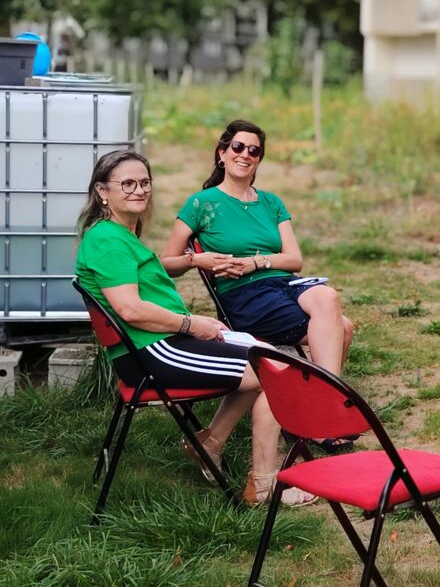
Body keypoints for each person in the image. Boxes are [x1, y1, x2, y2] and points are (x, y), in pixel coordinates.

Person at [75, 150, 314, 506]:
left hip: (160, 343)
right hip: (152, 353)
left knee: (261, 355)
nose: (139, 190)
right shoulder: (108, 240)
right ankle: (263, 485)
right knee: (274, 373)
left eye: (144, 182)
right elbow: (130, 309)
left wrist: (191, 279)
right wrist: (191, 324)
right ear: (102, 191)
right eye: (127, 183)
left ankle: (210, 443)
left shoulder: (118, 235)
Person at [161, 119, 353, 380]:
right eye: (238, 147)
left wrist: (256, 262)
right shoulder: (202, 203)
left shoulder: (271, 202)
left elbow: (294, 260)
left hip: (285, 284)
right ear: (222, 153)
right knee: (343, 327)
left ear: (259, 159)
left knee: (327, 296)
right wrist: (196, 260)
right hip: (243, 296)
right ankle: (325, 398)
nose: (245, 155)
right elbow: (166, 263)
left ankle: (320, 397)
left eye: (254, 151)